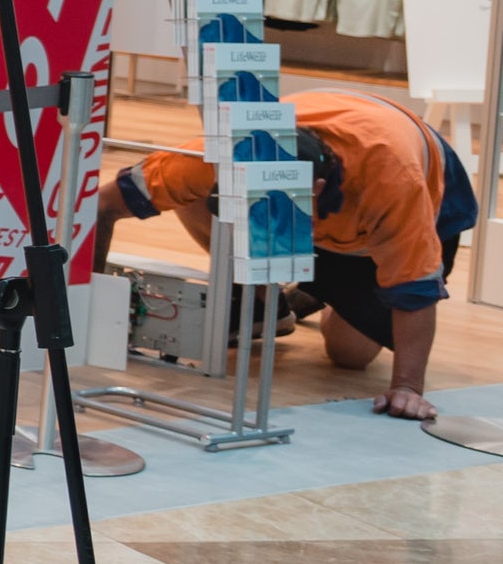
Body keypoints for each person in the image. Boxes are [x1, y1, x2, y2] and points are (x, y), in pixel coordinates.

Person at [95, 87, 476, 419]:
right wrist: (84, 305)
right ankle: (265, 303)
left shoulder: (393, 184)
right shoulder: (215, 155)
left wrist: (408, 388)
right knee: (191, 194)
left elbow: (415, 288)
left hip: (387, 221)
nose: (258, 221)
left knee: (349, 354)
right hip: (324, 206)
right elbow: (105, 204)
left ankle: (318, 290)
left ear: (315, 189)